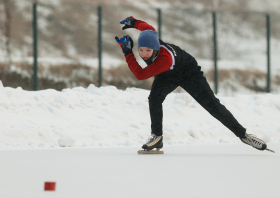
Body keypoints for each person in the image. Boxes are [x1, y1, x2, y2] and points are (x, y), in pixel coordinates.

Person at [115, 16, 270, 152]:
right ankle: (157, 136)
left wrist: (128, 53)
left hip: (189, 73)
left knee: (213, 106)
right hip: (167, 75)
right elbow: (148, 28)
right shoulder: (152, 37)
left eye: (148, 50)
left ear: (155, 48)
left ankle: (243, 135)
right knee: (154, 99)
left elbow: (141, 74)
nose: (144, 54)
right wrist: (134, 22)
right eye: (140, 50)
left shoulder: (164, 59)